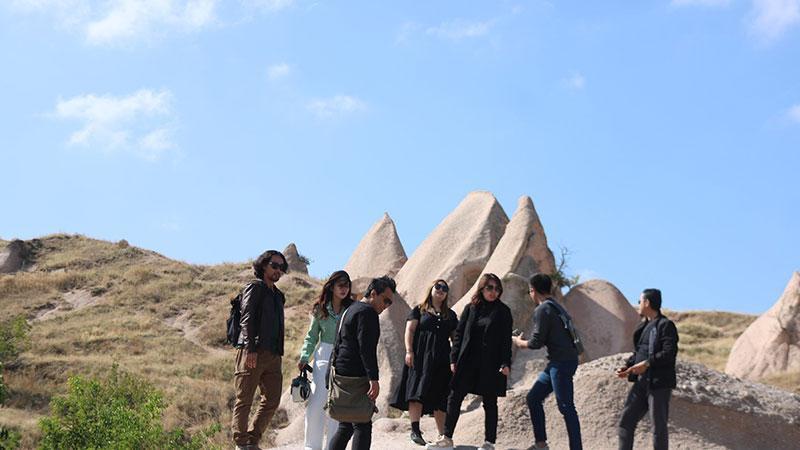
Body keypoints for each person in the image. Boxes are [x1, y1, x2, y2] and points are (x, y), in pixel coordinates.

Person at [427, 273, 512, 450]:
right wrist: (453, 358)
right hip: (467, 361)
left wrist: (505, 363)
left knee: (490, 402)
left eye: (497, 289)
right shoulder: (471, 308)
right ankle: (447, 438)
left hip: (491, 363)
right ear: (482, 288)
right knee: (454, 397)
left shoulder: (503, 312)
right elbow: (458, 335)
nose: (493, 292)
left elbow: (506, 341)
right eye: (489, 288)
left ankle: (489, 443)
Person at [512, 273, 582, 450]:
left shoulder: (543, 309)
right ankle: (541, 444)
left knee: (566, 407)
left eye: (530, 291)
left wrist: (518, 342)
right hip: (559, 363)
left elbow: (536, 342)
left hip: (561, 363)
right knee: (533, 398)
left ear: (533, 290)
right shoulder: (556, 306)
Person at [327, 276, 397, 450]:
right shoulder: (368, 313)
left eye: (390, 303)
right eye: (385, 300)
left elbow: (337, 343)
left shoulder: (350, 309)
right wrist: (374, 378)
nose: (386, 306)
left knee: (346, 425)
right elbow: (366, 348)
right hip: (356, 376)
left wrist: (330, 373)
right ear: (373, 293)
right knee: (363, 424)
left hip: (341, 372)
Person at [390, 279, 459, 446]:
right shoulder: (419, 310)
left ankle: (443, 435)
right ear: (431, 288)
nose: (441, 290)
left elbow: (455, 338)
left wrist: (455, 358)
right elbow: (410, 330)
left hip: (442, 359)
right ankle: (415, 431)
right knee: (417, 391)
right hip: (420, 357)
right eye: (438, 286)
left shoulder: (450, 315)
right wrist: (409, 351)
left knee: (441, 396)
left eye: (445, 288)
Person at [232, 250, 288, 450]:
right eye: (274, 265)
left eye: (282, 267)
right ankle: (241, 443)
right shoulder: (254, 287)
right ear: (264, 265)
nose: (278, 270)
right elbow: (246, 318)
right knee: (244, 399)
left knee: (272, 399)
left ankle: (252, 440)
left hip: (273, 355)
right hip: (252, 350)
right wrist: (250, 348)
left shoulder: (278, 295)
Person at [616, 288, 679, 450]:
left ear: (647, 303)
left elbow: (669, 353)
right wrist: (628, 367)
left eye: (640, 301)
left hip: (658, 384)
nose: (638, 304)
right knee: (625, 422)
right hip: (641, 383)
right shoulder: (643, 327)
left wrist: (646, 364)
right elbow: (639, 352)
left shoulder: (666, 325)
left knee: (658, 428)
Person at [298, 270, 354, 450]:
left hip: (344, 356)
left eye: (347, 285)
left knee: (337, 405)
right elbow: (311, 337)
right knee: (317, 402)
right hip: (323, 356)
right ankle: (311, 447)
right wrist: (305, 356)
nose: (344, 289)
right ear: (331, 287)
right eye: (341, 285)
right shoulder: (320, 309)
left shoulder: (351, 308)